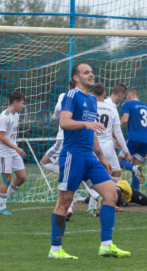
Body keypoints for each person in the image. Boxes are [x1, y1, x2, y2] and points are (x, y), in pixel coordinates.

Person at [48, 63, 131, 260]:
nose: (91, 74)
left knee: (111, 195)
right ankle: (55, 249)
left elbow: (91, 130)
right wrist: (85, 123)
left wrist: (101, 157)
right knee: (65, 201)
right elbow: (64, 121)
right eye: (86, 72)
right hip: (72, 156)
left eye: (92, 71)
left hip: (90, 157)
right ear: (76, 78)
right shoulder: (71, 96)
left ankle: (106, 245)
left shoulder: (92, 101)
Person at [40, 90, 102, 221]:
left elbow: (57, 111)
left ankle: (84, 199)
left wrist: (54, 116)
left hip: (64, 140)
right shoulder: (88, 99)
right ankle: (92, 197)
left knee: (44, 163)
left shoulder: (65, 95)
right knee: (71, 172)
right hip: (83, 141)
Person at [87, 83, 131, 215]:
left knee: (88, 176)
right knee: (116, 173)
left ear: (92, 94)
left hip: (93, 146)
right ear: (105, 94)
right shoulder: (111, 109)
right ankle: (103, 201)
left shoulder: (88, 108)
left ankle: (97, 204)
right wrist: (126, 150)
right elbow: (118, 132)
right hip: (108, 146)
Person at [118, 87, 147, 191]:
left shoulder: (127, 104)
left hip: (133, 138)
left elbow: (125, 120)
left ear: (129, 96)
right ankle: (135, 192)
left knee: (117, 162)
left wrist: (116, 134)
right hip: (145, 140)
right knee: (137, 166)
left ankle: (133, 168)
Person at [0, 92, 27, 215]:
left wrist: (15, 149)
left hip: (13, 150)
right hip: (4, 152)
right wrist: (17, 148)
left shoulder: (16, 115)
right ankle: (2, 208)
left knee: (22, 177)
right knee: (7, 179)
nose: (23, 106)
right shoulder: (4, 117)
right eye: (22, 103)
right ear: (15, 103)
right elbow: (2, 137)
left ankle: (4, 198)